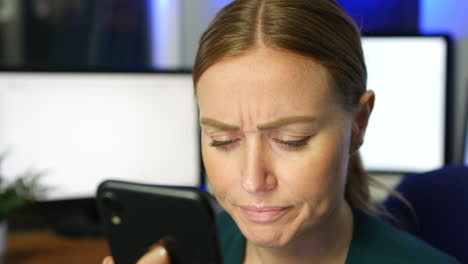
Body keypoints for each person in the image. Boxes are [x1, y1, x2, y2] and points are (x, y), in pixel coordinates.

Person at [103, 0, 461, 263]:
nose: (252, 180)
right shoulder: (183, 253)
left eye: (291, 141)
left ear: (358, 123)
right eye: (223, 140)